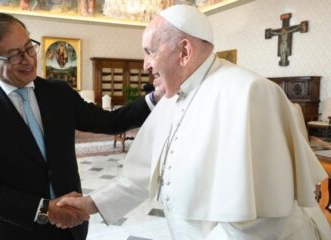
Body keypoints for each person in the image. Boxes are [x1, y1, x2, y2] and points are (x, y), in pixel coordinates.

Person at [56, 5, 331, 239]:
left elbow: (261, 218)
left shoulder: (249, 93)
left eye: (150, 52)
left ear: (184, 51)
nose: (145, 66)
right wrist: (91, 203)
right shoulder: (171, 97)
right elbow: (140, 177)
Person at [0, 13, 160, 240]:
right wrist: (45, 209)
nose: (28, 59)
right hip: (14, 232)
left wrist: (157, 97)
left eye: (29, 47)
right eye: (14, 55)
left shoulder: (58, 93)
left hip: (69, 229)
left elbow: (110, 122)